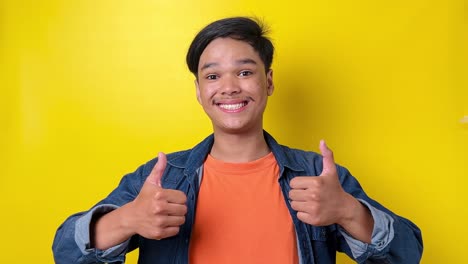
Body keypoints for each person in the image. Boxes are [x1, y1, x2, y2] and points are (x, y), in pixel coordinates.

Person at [52, 16, 423, 264]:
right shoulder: (161, 178)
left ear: (269, 81)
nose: (229, 87)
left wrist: (347, 211)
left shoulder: (316, 175)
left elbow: (408, 253)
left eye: (245, 71)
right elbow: (65, 252)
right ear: (198, 91)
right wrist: (127, 218)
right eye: (212, 77)